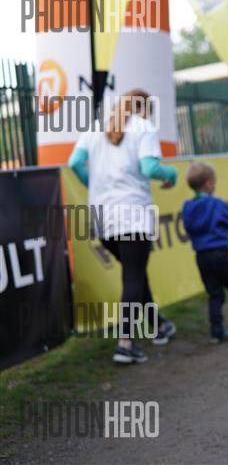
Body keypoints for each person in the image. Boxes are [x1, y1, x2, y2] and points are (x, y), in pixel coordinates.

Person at [68, 89, 178, 364]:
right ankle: (126, 342)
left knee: (135, 273)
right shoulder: (143, 127)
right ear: (145, 109)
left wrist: (93, 185)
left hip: (102, 216)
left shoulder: (96, 127)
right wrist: (172, 174)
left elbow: (74, 163)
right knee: (133, 276)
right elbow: (151, 168)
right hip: (132, 214)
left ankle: (158, 325)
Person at [181, 162, 228, 343]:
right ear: (208, 183)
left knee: (214, 293)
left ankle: (216, 331)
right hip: (220, 252)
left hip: (201, 256)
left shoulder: (187, 207)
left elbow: (187, 227)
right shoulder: (216, 204)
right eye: (214, 182)